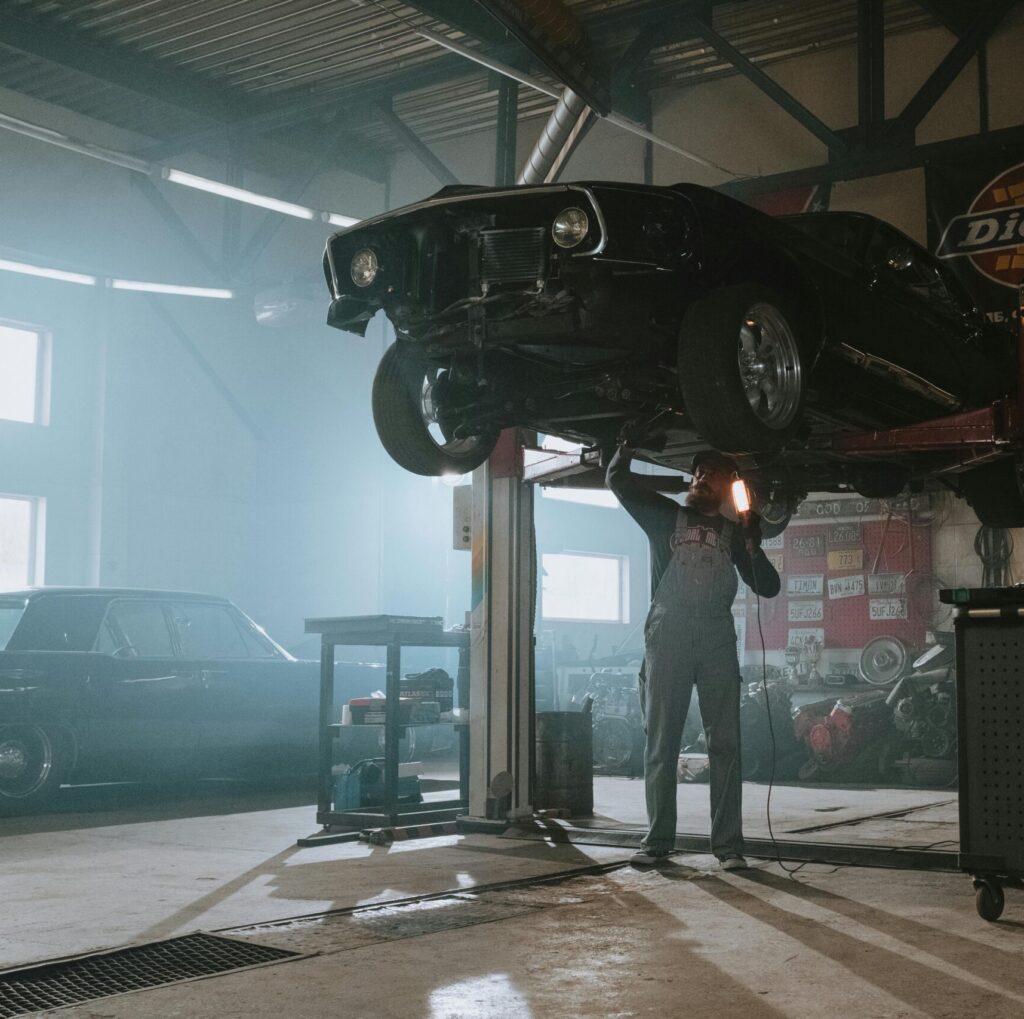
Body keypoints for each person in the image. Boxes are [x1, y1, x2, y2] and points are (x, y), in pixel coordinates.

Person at [606, 440, 781, 869]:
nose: (701, 477)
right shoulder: (663, 515)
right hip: (669, 633)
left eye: (712, 473)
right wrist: (625, 447)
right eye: (698, 471)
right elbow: (617, 481)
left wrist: (754, 543)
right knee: (661, 741)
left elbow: (769, 586)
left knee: (726, 743)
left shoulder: (734, 533)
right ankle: (657, 841)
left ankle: (729, 847)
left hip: (716, 636)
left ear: (726, 487)